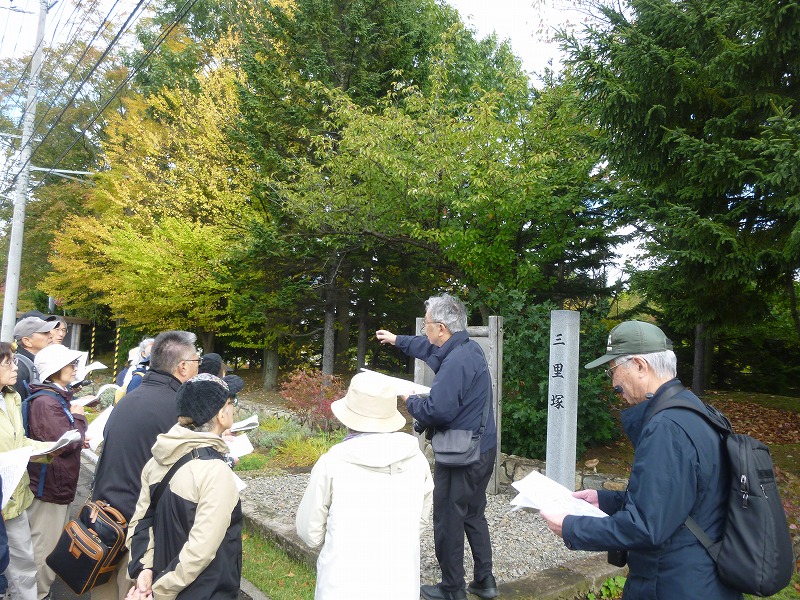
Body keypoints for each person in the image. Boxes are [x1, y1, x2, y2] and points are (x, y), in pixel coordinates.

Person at [539, 320, 741, 600]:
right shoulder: (693, 410)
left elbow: (647, 527)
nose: (613, 384)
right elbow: (677, 500)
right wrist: (606, 500)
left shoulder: (666, 427)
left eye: (613, 371)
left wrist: (572, 526)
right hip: (702, 576)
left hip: (672, 584)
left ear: (639, 365)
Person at [376, 293, 498, 600]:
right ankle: (485, 580)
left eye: (428, 325)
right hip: (483, 447)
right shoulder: (464, 347)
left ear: (441, 327)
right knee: (473, 513)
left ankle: (452, 589)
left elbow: (437, 411)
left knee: (448, 518)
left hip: (461, 456)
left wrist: (409, 399)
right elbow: (424, 347)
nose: (425, 331)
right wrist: (395, 339)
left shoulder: (456, 361)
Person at [296, 370, 434, 599]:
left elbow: (309, 533)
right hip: (399, 584)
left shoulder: (332, 463)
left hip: (341, 586)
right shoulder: (416, 459)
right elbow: (420, 521)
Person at [90, 331, 201, 600]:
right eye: (197, 360)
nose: (200, 366)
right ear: (183, 366)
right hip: (139, 530)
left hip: (105, 517)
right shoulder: (176, 409)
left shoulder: (130, 397)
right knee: (132, 590)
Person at [125, 373, 242, 600]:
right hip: (204, 591)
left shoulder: (158, 458)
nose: (233, 408)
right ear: (220, 414)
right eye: (231, 402)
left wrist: (144, 571)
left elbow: (140, 521)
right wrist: (158, 592)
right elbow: (201, 550)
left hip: (161, 576)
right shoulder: (215, 471)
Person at [27, 344, 89, 600]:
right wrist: (80, 419)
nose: (75, 368)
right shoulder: (45, 401)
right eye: (70, 364)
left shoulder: (55, 397)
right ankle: (37, 595)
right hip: (49, 485)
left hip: (57, 483)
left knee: (47, 544)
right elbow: (62, 442)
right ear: (53, 370)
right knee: (43, 547)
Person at [0, 341, 55, 600]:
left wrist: (51, 448)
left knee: (23, 563)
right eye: (8, 361)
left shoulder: (11, 397)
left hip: (13, 495)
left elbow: (19, 441)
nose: (16, 366)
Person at [12, 317, 56, 398]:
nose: (51, 336)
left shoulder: (39, 361)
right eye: (45, 332)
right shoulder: (17, 368)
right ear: (27, 341)